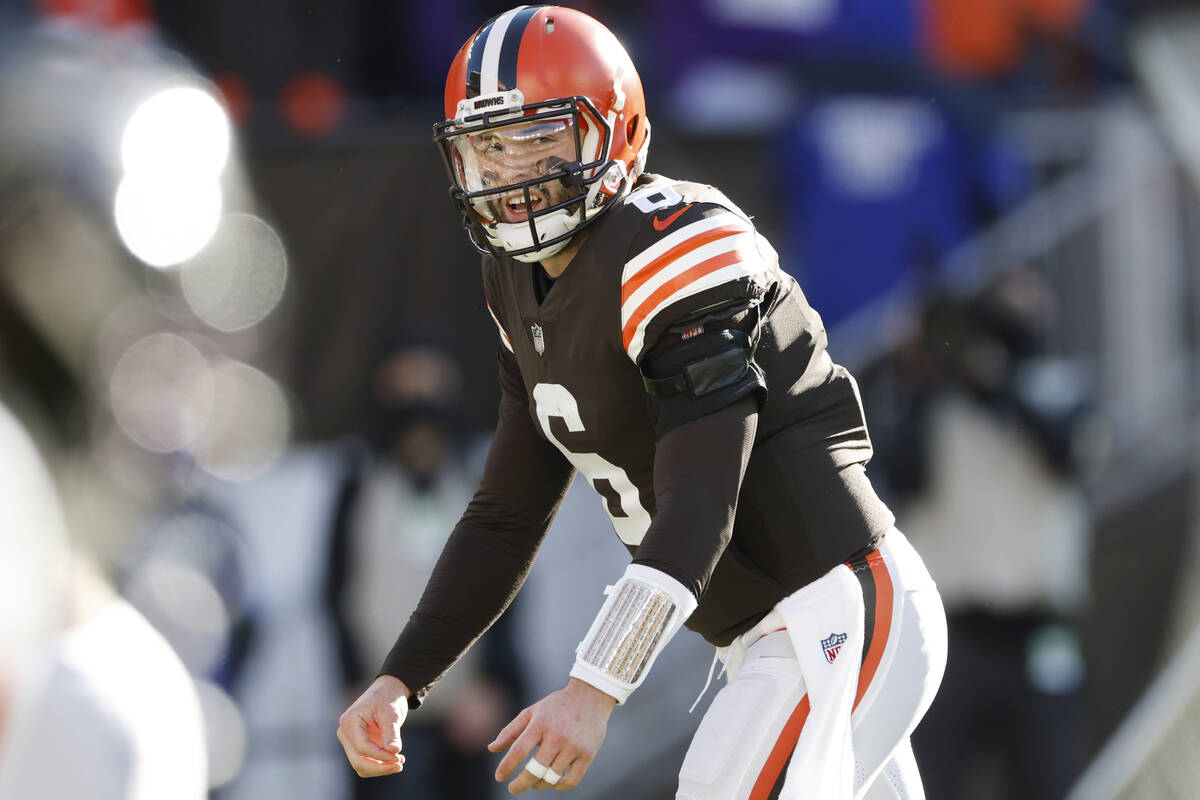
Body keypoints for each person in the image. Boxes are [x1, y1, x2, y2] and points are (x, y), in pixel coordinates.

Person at [337, 6, 947, 799]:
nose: (514, 175)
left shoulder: (673, 247)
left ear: (614, 132)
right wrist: (402, 677)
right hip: (771, 635)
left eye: (540, 138)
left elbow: (701, 502)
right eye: (490, 146)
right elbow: (506, 513)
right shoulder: (515, 280)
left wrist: (595, 688)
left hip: (835, 612)